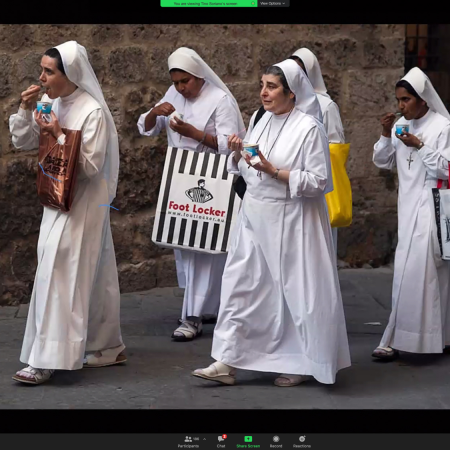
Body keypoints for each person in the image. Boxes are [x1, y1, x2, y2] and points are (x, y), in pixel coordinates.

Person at [192, 59, 351, 387]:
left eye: (272, 87)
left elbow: (319, 181)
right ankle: (227, 360)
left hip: (291, 222)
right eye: (262, 85)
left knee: (292, 294)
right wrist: (238, 153)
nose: (263, 92)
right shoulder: (259, 118)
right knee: (240, 287)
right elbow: (248, 165)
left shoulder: (309, 128)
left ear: (291, 93)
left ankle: (299, 362)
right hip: (253, 218)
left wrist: (274, 171)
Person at [9, 41, 125, 385]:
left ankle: (47, 358)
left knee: (61, 271)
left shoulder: (93, 112)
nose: (42, 78)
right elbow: (23, 142)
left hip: (84, 203)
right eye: (42, 70)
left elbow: (90, 167)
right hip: (56, 200)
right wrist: (24, 109)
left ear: (69, 74)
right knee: (89, 271)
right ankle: (105, 345)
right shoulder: (51, 102)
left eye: (49, 71)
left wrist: (58, 133)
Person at [137, 47, 245, 341]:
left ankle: (192, 316)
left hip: (212, 179)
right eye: (175, 82)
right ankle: (206, 307)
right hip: (179, 177)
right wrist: (154, 112)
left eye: (185, 81)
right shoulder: (173, 95)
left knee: (204, 247)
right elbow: (147, 127)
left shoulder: (220, 100)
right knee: (185, 245)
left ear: (199, 76)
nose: (181, 87)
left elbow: (230, 144)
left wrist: (193, 133)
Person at [372, 67, 450, 360]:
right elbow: (383, 162)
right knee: (407, 274)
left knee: (423, 275)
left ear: (422, 99)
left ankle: (402, 339)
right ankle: (420, 338)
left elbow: (446, 168)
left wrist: (419, 145)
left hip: (431, 207)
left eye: (406, 99)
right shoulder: (400, 125)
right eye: (399, 100)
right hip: (407, 209)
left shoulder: (442, 126)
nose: (401, 106)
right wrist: (385, 134)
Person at [290, 48, 346, 256]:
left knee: (318, 246)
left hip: (315, 179)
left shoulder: (326, 105)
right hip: (292, 181)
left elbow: (336, 145)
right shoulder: (287, 101)